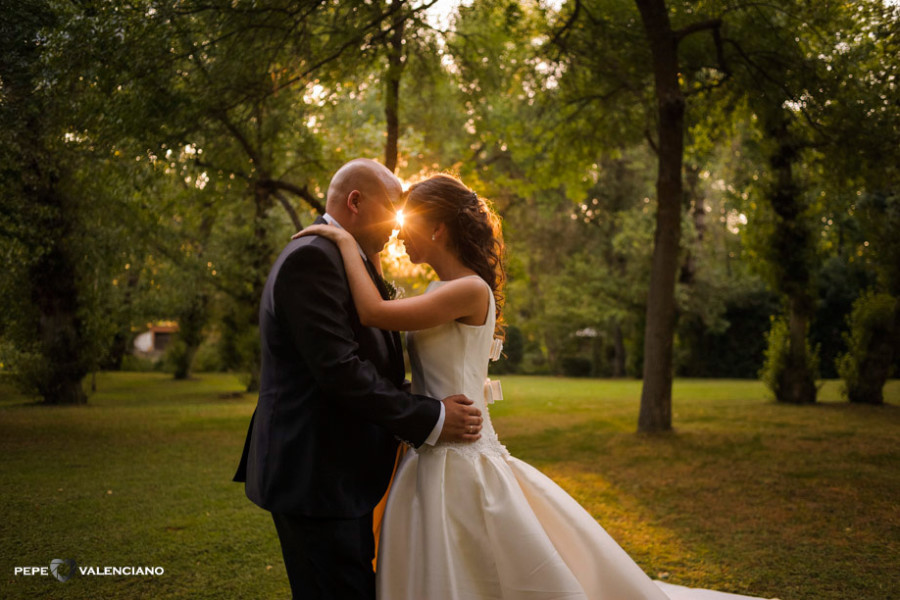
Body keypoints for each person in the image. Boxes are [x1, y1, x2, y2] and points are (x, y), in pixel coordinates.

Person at [294, 173, 773, 600]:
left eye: (408, 224)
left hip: (456, 456)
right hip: (429, 449)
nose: (398, 235)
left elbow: (373, 313)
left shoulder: (468, 290)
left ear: (438, 228)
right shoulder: (440, 291)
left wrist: (340, 242)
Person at [233, 159, 484, 600]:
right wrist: (431, 415)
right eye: (391, 208)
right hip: (314, 474)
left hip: (337, 473)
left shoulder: (345, 259)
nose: (397, 224)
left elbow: (372, 353)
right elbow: (340, 371)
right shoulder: (313, 257)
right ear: (355, 202)